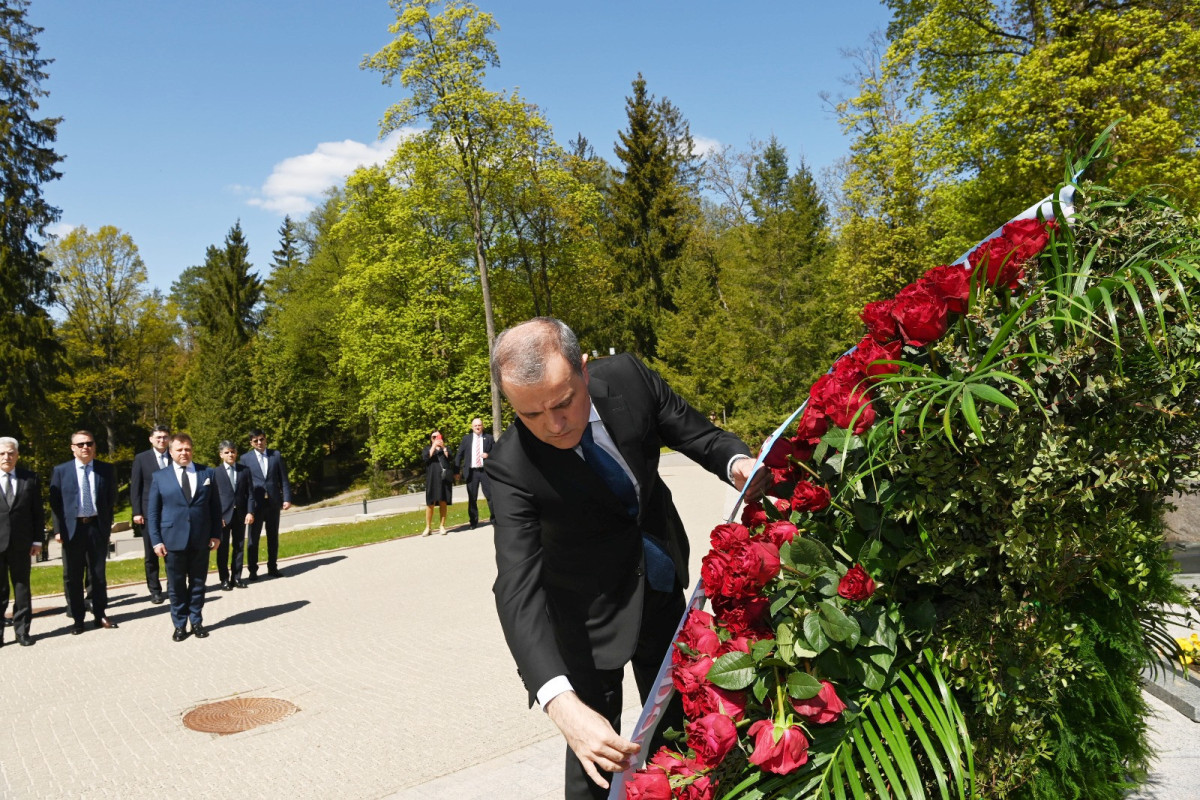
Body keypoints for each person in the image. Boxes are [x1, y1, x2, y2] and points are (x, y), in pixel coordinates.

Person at [487, 318, 756, 799]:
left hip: (660, 583)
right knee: (595, 756)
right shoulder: (510, 467)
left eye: (563, 402)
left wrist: (738, 465)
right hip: (587, 621)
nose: (553, 424)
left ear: (584, 369)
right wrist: (560, 703)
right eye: (531, 414)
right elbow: (515, 588)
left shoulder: (630, 377)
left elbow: (700, 436)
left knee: (679, 732)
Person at [147, 433, 221, 641]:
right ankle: (179, 624)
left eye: (187, 449)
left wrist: (216, 534)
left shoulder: (207, 473)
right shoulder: (160, 477)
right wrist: (156, 541)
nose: (184, 453)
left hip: (200, 538)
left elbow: (215, 508)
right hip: (172, 540)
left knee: (198, 583)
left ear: (192, 450)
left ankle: (196, 621)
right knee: (176, 586)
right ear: (170, 452)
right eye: (179, 449)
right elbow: (153, 512)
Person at [49, 430, 118, 634]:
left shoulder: (106, 470)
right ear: (73, 448)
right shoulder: (61, 471)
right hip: (72, 529)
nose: (85, 447)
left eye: (89, 443)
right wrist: (58, 530)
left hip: (96, 527)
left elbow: (110, 499)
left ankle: (99, 614)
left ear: (94, 446)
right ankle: (78, 618)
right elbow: (55, 504)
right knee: (73, 575)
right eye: (80, 444)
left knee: (98, 574)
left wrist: (106, 526)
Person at [0, 437, 44, 647]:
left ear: (17, 455)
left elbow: (37, 513)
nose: (6, 457)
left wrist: (38, 541)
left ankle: (22, 632)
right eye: (2, 453)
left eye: (10, 453)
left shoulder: (30, 479)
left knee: (22, 589)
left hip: (22, 545)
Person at [129, 424, 171, 604]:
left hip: (171, 513)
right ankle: (155, 591)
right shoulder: (142, 458)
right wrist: (137, 511)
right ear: (151, 439)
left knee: (172, 553)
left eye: (165, 437)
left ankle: (173, 588)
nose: (162, 440)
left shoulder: (175, 456)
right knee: (151, 555)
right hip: (148, 513)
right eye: (158, 437)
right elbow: (136, 487)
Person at [241, 429, 291, 579]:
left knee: (273, 537)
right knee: (253, 539)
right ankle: (253, 570)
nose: (259, 442)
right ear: (251, 443)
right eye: (255, 440)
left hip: (273, 503)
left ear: (266, 439)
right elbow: (243, 484)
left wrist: (287, 498)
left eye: (261, 439)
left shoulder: (276, 455)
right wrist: (247, 507)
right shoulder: (245, 459)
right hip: (256, 504)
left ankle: (273, 568)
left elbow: (283, 479)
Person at [214, 440, 254, 590]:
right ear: (221, 455)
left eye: (232, 452)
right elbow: (213, 498)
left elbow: (250, 493)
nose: (230, 454)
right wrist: (217, 517)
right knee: (222, 549)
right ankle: (224, 579)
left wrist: (250, 512)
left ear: (236, 453)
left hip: (240, 515)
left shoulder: (245, 471)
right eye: (227, 452)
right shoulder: (215, 473)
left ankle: (236, 577)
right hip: (223, 517)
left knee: (239, 547)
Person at [454, 417, 494, 529]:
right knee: (472, 498)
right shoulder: (466, 439)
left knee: (490, 496)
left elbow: (496, 451)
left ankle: (494, 519)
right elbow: (459, 455)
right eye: (475, 426)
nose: (477, 427)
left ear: (482, 426)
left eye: (479, 425)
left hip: (485, 471)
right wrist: (456, 471)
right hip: (471, 472)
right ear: (472, 427)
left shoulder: (489, 438)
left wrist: (488, 455)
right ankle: (473, 522)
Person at [421, 430, 453, 536]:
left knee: (443, 501)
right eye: (433, 437)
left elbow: (449, 458)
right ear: (431, 439)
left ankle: (442, 526)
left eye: (438, 436)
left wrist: (443, 447)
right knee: (431, 502)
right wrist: (434, 446)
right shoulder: (427, 448)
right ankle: (428, 527)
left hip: (444, 479)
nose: (436, 439)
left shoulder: (445, 448)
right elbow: (426, 458)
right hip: (432, 479)